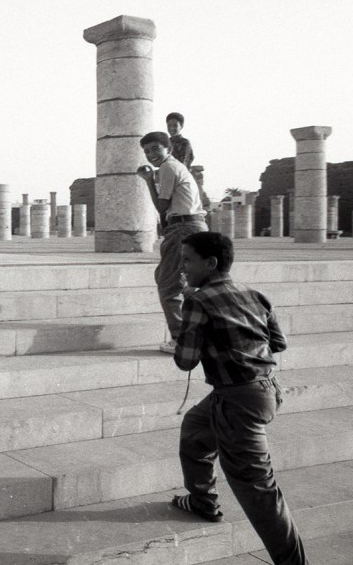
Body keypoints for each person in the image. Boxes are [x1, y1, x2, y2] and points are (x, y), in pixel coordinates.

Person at [171, 232, 306, 565]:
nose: (182, 267)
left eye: (187, 260)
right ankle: (202, 500)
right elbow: (278, 342)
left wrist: (191, 315)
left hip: (237, 401)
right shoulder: (254, 294)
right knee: (195, 429)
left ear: (210, 263)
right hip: (264, 389)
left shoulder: (198, 301)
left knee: (257, 488)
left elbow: (185, 360)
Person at [137, 131, 206, 353]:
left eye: (155, 149)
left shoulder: (167, 167)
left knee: (168, 285)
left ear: (169, 148)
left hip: (182, 229)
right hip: (194, 227)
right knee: (180, 283)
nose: (151, 155)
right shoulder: (178, 167)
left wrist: (149, 181)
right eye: (147, 151)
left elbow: (162, 207)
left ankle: (182, 341)